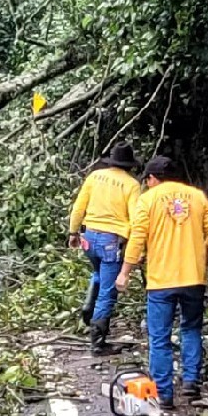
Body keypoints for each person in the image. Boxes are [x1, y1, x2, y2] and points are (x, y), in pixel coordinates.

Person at [115, 156, 208, 409]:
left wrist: (125, 272)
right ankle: (191, 384)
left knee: (160, 337)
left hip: (161, 281)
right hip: (193, 279)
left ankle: (164, 394)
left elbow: (138, 237)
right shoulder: (196, 196)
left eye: (147, 180)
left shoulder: (148, 200)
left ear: (152, 178)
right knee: (191, 329)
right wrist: (201, 261)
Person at [67, 142, 142, 355]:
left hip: (88, 237)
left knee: (97, 272)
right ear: (129, 165)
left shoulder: (94, 176)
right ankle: (98, 343)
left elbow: (78, 207)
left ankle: (88, 310)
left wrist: (73, 233)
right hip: (111, 240)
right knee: (108, 293)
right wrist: (138, 249)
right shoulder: (131, 185)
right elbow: (136, 219)